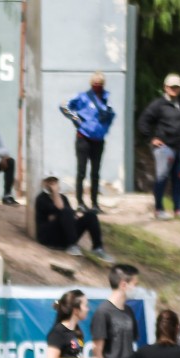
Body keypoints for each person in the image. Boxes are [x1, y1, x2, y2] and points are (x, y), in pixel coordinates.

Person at [137, 73, 180, 220]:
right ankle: (159, 209)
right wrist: (151, 138)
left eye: (177, 87)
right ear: (165, 87)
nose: (174, 89)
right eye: (171, 86)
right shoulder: (158, 104)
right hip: (165, 147)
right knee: (162, 176)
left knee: (179, 178)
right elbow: (143, 121)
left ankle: (178, 209)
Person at [60, 71, 115, 212]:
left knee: (95, 173)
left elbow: (110, 115)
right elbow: (64, 106)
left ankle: (95, 204)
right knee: (81, 172)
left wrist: (105, 129)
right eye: (95, 83)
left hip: (99, 140)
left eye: (100, 83)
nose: (98, 85)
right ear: (91, 83)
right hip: (83, 138)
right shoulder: (83, 97)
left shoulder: (106, 99)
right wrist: (77, 120)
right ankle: (80, 203)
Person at [33, 173, 112, 260]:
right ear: (44, 183)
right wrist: (55, 192)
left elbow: (71, 217)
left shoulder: (63, 198)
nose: (53, 184)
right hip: (49, 238)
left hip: (64, 236)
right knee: (65, 211)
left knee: (91, 216)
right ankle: (72, 245)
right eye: (49, 182)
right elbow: (61, 208)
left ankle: (97, 248)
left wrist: (64, 216)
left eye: (55, 181)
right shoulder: (41, 198)